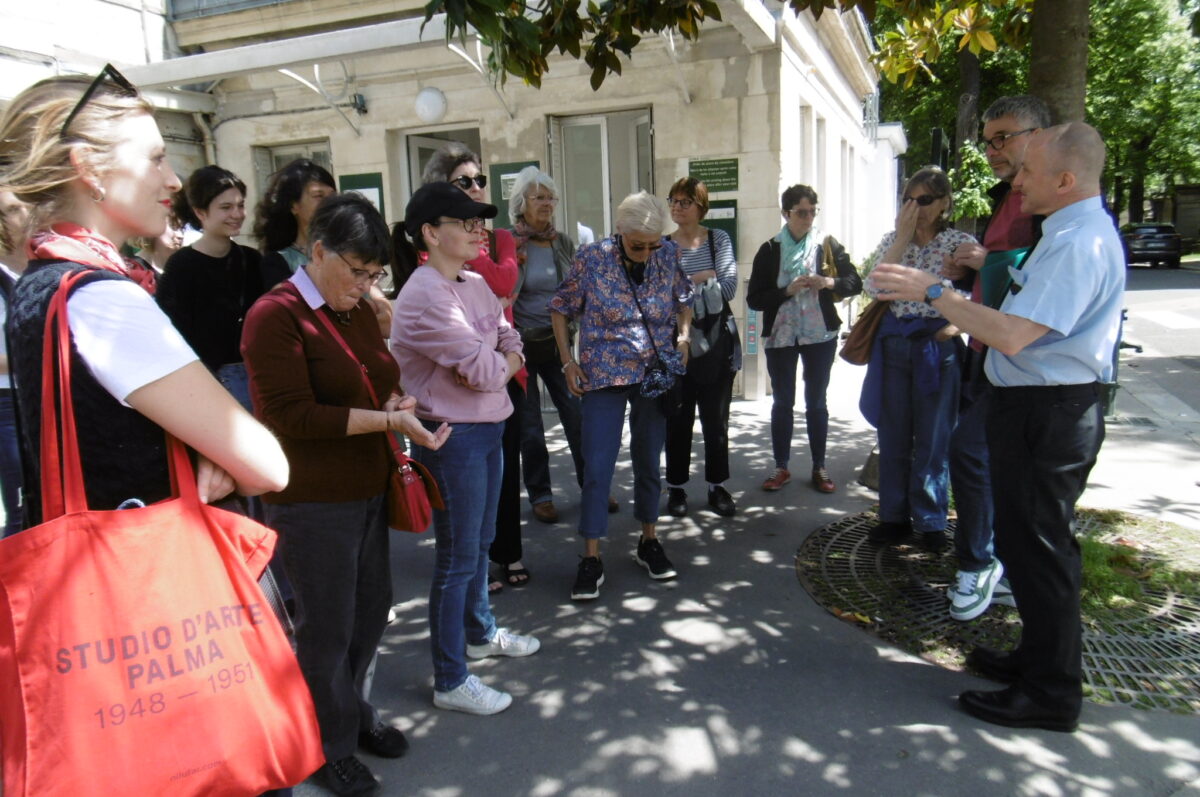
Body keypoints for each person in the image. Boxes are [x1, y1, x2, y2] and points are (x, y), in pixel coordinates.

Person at [0, 70, 292, 789]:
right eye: (156, 156)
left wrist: (194, 444)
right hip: (160, 613)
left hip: (94, 607)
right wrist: (208, 447)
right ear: (87, 168)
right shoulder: (108, 302)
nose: (173, 175)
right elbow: (266, 463)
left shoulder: (40, 282)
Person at [872, 123, 1123, 733]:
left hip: (1051, 411)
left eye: (1029, 172)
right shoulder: (1064, 232)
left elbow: (1011, 333)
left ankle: (1050, 694)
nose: (1015, 179)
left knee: (1039, 552)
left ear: (1065, 179)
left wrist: (934, 291)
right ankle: (1036, 663)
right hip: (1036, 407)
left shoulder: (1078, 241)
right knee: (1025, 542)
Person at [242, 193, 444, 795]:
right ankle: (325, 746)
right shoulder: (273, 314)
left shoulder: (354, 308)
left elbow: (373, 378)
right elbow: (290, 416)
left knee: (369, 612)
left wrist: (395, 404)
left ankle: (351, 715)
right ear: (318, 250)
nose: (364, 284)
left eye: (374, 273)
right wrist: (387, 422)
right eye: (356, 270)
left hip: (366, 488)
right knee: (324, 629)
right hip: (310, 498)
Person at [391, 182, 540, 717]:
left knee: (479, 545)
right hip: (452, 436)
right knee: (457, 558)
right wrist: (504, 365)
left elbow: (509, 338)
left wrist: (503, 361)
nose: (481, 230)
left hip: (487, 426)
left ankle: (480, 633)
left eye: (481, 221)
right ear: (431, 233)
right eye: (467, 221)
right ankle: (451, 678)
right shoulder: (426, 293)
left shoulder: (474, 283)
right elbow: (485, 370)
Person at [550, 191, 693, 601]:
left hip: (653, 375)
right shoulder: (592, 259)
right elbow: (560, 306)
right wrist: (566, 361)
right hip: (603, 374)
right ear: (619, 231)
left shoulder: (667, 254)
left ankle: (649, 539)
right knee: (598, 466)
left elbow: (684, 300)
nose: (647, 253)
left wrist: (683, 338)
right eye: (637, 245)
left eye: (653, 243)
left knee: (649, 460)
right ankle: (591, 556)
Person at [940, 95, 1051, 622]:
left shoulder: (1055, 204)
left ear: (1040, 136)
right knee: (988, 461)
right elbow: (997, 276)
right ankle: (1003, 568)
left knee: (969, 451)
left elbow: (1044, 277)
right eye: (988, 140)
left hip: (1025, 362)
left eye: (1003, 136)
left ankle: (978, 562)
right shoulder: (1005, 195)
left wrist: (985, 263)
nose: (993, 149)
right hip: (984, 351)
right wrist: (965, 270)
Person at [417, 142, 527, 593]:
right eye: (465, 183)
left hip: (503, 385)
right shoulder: (432, 273)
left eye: (480, 180)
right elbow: (495, 293)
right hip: (459, 409)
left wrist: (505, 361)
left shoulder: (494, 246)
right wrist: (471, 248)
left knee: (501, 488)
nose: (477, 187)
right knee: (462, 541)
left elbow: (505, 289)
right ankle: (461, 643)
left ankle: (507, 558)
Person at [861, 168, 975, 552]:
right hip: (895, 344)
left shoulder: (959, 244)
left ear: (944, 203)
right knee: (892, 435)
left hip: (936, 347)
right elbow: (872, 287)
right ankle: (893, 517)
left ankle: (930, 521)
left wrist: (953, 328)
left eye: (925, 200)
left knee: (933, 438)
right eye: (909, 200)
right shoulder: (894, 241)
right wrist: (902, 238)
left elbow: (982, 295)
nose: (916, 208)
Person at [747, 184, 861, 496]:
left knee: (816, 402)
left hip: (819, 335)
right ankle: (781, 466)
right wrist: (786, 291)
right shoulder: (770, 249)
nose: (808, 217)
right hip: (782, 336)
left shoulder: (826, 244)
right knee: (783, 401)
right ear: (786, 213)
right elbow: (754, 298)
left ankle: (819, 467)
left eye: (812, 211)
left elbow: (854, 282)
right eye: (801, 212)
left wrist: (828, 281)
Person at [506, 165, 596, 528]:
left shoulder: (563, 243)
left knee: (577, 416)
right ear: (521, 202)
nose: (546, 204)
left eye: (550, 197)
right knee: (530, 428)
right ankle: (541, 494)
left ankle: (591, 485)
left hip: (559, 342)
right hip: (521, 346)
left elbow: (574, 290)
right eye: (538, 197)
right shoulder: (509, 243)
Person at [157, 165, 265, 414]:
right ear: (200, 212)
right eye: (226, 207)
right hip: (209, 385)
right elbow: (173, 336)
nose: (237, 214)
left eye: (240, 205)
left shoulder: (251, 259)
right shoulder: (181, 266)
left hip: (256, 378)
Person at [662, 177, 740, 517]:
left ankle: (716, 485)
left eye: (685, 201)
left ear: (701, 206)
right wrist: (702, 278)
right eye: (673, 200)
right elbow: (659, 294)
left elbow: (729, 287)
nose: (677, 207)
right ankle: (676, 489)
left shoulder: (717, 239)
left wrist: (682, 284)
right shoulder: (663, 246)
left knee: (715, 419)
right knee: (677, 418)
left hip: (714, 343)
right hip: (676, 343)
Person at [254, 158, 336, 287]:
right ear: (294, 205)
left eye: (332, 196)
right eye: (318, 196)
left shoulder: (347, 251)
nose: (330, 203)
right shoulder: (277, 263)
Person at [0, 190, 30, 537]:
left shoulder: (28, 272)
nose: (24, 215)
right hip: (7, 403)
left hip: (31, 396)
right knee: (20, 507)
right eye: (12, 210)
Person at [129, 208, 183, 277]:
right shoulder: (134, 270)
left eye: (183, 228)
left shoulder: (186, 268)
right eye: (173, 226)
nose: (180, 235)